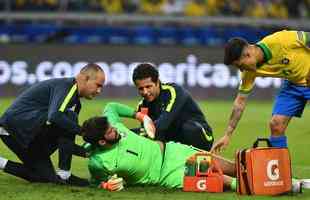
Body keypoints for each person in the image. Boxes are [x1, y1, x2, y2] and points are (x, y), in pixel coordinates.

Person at [81, 102, 236, 191]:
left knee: (232, 168)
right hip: (166, 176)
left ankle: (253, 172)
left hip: (172, 152)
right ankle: (248, 186)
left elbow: (111, 106)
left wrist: (142, 117)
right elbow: (96, 182)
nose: (114, 129)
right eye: (110, 132)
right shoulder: (98, 162)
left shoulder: (111, 124)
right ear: (101, 142)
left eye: (111, 126)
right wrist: (106, 185)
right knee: (218, 178)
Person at [0, 63, 105, 186]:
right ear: (85, 78)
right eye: (98, 85)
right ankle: (64, 173)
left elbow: (65, 143)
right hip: (15, 127)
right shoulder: (67, 87)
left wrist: (87, 152)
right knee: (68, 118)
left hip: (26, 131)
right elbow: (55, 116)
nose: (99, 91)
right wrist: (83, 131)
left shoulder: (76, 103)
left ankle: (1, 162)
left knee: (45, 177)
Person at [211, 30, 310, 153]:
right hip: (293, 84)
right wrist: (227, 134)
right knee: (276, 124)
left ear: (247, 55)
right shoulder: (249, 72)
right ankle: (280, 169)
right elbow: (240, 102)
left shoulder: (281, 40)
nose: (242, 71)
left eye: (240, 66)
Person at [132, 63, 214, 151]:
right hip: (176, 140)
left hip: (202, 136)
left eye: (148, 86)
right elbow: (147, 134)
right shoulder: (142, 107)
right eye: (141, 89)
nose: (145, 92)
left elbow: (163, 123)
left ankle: (198, 159)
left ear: (157, 82)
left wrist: (135, 133)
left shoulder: (173, 91)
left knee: (188, 129)